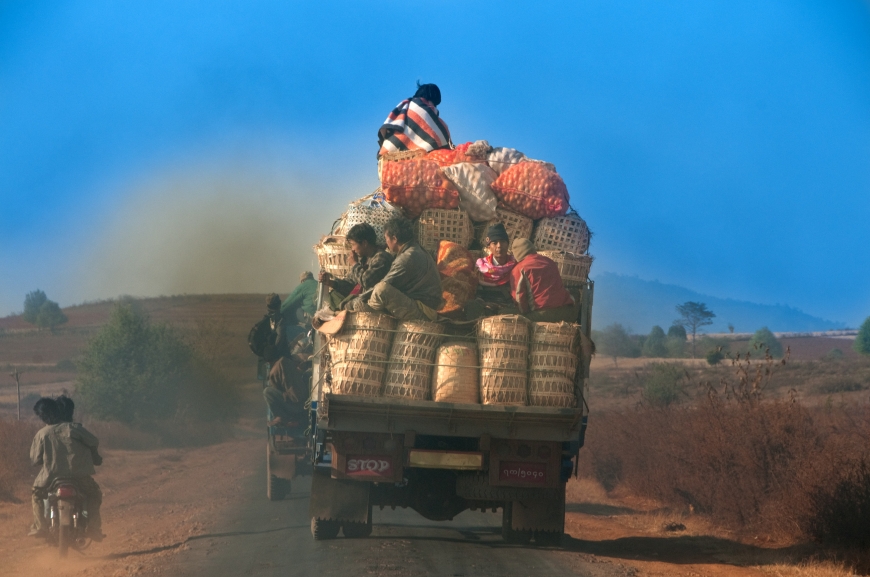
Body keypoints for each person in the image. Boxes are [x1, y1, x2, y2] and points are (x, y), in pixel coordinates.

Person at [29, 397, 104, 541]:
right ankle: (93, 528)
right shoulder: (74, 428)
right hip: (79, 477)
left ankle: (40, 527)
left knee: (36, 495)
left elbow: (35, 459)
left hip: (50, 478)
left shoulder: (42, 434)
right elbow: (94, 441)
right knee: (94, 495)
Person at [356, 216, 443, 321]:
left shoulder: (407, 258)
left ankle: (368, 315)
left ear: (394, 239)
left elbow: (386, 284)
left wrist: (358, 300)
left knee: (381, 289)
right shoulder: (415, 249)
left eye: (386, 239)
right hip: (423, 305)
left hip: (423, 312)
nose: (386, 243)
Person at [319, 223, 394, 311]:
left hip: (376, 302)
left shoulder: (381, 257)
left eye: (353, 244)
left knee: (346, 304)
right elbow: (350, 283)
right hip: (361, 298)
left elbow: (366, 281)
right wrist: (331, 283)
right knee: (333, 295)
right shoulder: (364, 259)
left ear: (364, 243)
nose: (352, 249)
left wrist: (354, 264)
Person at [262, 293, 309, 427]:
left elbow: (278, 391)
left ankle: (280, 417)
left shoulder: (275, 370)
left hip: (295, 406)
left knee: (267, 392)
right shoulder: (288, 362)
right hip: (305, 403)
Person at [507, 238, 577, 323]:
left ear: (516, 254)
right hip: (566, 312)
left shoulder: (519, 269)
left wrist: (525, 313)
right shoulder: (549, 261)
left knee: (508, 314)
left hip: (543, 315)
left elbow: (519, 299)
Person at [378, 82, 452, 157]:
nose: (435, 107)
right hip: (415, 160)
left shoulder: (407, 106)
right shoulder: (423, 111)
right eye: (435, 103)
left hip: (388, 156)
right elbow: (443, 140)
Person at [475, 223, 517, 303]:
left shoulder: (516, 265)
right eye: (494, 243)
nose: (499, 246)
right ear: (489, 247)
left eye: (503, 241)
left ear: (508, 245)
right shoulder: (480, 267)